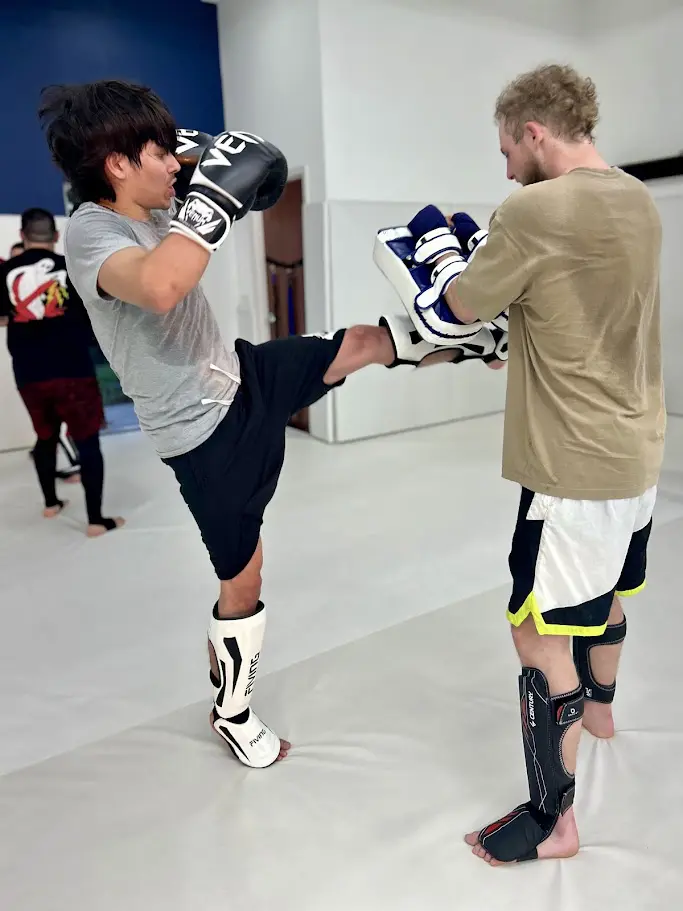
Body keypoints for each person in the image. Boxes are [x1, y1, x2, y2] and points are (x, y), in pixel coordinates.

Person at [38, 79, 497, 770]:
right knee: (243, 582)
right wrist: (213, 193)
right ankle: (232, 710)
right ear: (116, 164)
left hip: (241, 373)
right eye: (156, 155)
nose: (172, 165)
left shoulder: (156, 194)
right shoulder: (92, 231)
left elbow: (249, 167)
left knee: (359, 344)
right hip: (201, 436)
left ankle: (480, 340)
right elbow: (162, 286)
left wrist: (194, 155)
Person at [376, 64, 665, 864]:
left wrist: (447, 276)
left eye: (506, 147)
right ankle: (601, 714)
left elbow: (458, 308)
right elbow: (568, 304)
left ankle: (554, 819)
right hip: (637, 446)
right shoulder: (637, 199)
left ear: (534, 132)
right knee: (606, 594)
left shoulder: (535, 208)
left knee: (536, 632)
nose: (503, 166)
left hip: (571, 465)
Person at [0, 207, 123, 535]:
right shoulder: (71, 269)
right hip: (73, 370)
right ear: (55, 236)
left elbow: (3, 317)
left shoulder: (6, 271)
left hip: (29, 373)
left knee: (45, 437)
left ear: (22, 236)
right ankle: (96, 521)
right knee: (87, 442)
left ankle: (51, 504)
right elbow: (98, 310)